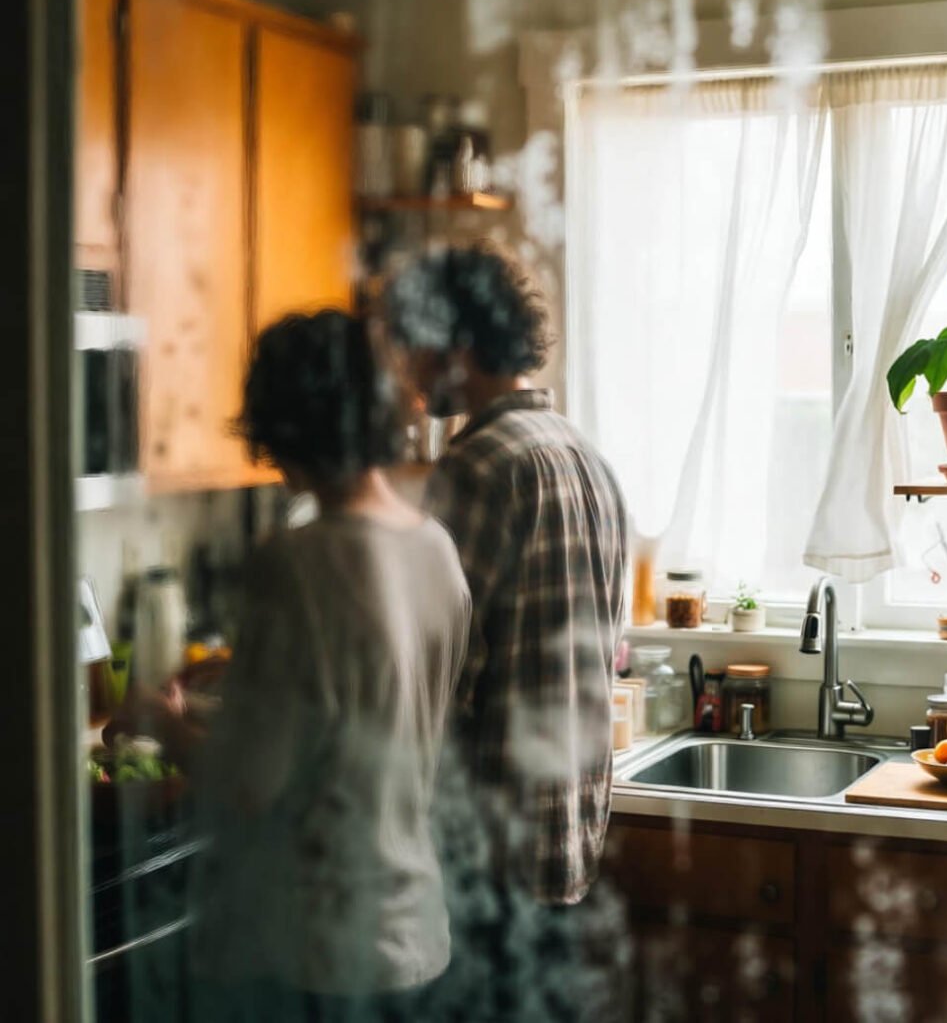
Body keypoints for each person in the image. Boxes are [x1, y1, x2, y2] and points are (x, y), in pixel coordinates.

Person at [110, 310, 471, 1022]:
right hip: (416, 933)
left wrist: (160, 718)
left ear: (286, 426)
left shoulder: (296, 562)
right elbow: (374, 700)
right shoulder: (436, 550)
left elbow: (246, 783)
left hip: (320, 949)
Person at [385, 244, 629, 1018]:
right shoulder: (587, 458)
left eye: (417, 345)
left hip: (484, 860)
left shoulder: (477, 467)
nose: (410, 370)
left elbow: (436, 682)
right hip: (568, 848)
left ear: (459, 344)